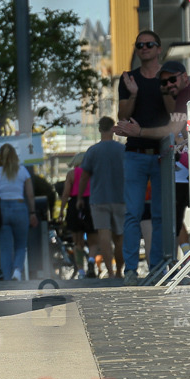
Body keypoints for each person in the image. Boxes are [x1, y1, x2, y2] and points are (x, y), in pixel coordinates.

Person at [116, 60, 190, 259]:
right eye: (164, 83)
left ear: (184, 77)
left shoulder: (188, 93)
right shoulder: (186, 95)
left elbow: (171, 129)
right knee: (177, 214)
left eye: (172, 79)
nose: (169, 85)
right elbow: (178, 131)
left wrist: (140, 131)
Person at [117, 30, 170, 285]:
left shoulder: (167, 77)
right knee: (132, 214)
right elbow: (122, 116)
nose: (144, 48)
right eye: (139, 45)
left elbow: (174, 114)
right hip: (135, 154)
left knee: (160, 214)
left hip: (162, 154)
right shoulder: (128, 78)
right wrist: (134, 94)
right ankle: (130, 270)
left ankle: (157, 266)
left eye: (149, 44)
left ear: (158, 48)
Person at [77, 117, 126, 278]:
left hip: (98, 198)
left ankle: (110, 272)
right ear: (113, 129)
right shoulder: (122, 149)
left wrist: (79, 197)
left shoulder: (92, 151)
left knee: (103, 236)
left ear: (99, 129)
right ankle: (120, 270)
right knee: (119, 236)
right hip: (120, 197)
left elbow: (84, 177)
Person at [0, 143, 37, 281]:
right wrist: (32, 212)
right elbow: (30, 194)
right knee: (21, 245)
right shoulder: (22, 171)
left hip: (2, 210)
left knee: (5, 249)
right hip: (20, 208)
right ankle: (17, 271)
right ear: (15, 155)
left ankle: (8, 279)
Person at [60, 153, 94, 277]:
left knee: (77, 242)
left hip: (75, 205)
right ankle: (91, 260)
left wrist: (61, 211)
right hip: (91, 203)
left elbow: (65, 194)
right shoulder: (92, 172)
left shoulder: (71, 174)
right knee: (93, 239)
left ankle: (80, 271)